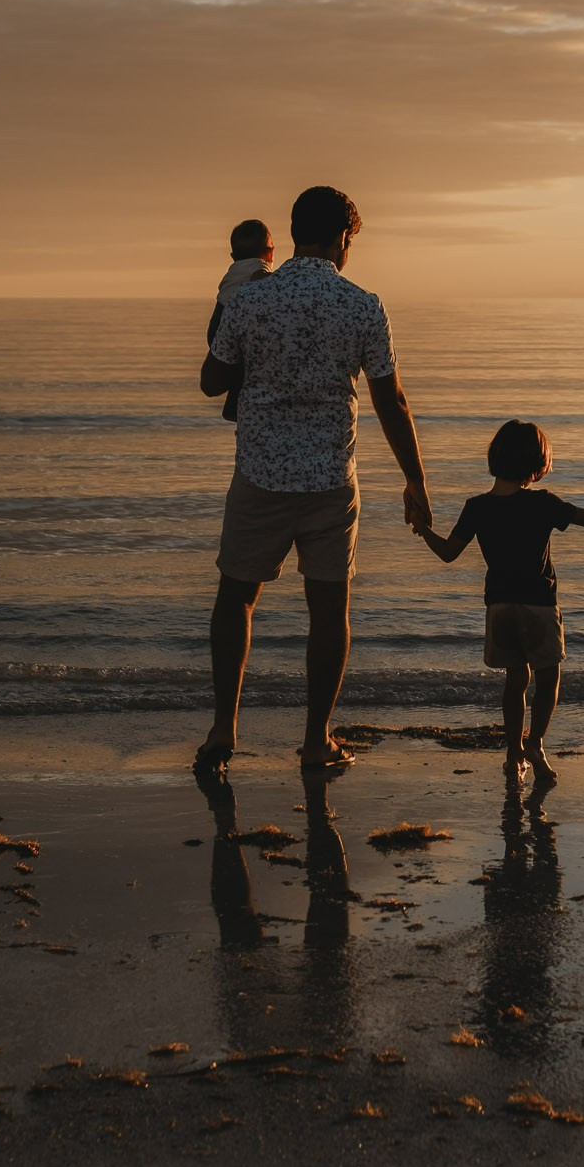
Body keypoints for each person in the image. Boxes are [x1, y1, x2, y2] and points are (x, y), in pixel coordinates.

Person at [199, 186, 432, 770]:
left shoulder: (251, 301)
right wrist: (416, 481)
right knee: (329, 610)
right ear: (342, 239)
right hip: (331, 477)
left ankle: (223, 731)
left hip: (260, 475)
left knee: (237, 599)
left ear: (296, 230)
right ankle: (314, 739)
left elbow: (210, 380)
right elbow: (391, 401)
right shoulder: (362, 304)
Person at [418, 419, 584, 783]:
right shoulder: (542, 503)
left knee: (515, 679)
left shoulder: (476, 507)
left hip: (500, 607)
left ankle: (512, 754)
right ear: (536, 464)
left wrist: (422, 527)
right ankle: (535, 743)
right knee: (548, 678)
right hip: (538, 604)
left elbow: (447, 553)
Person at [207, 219, 273, 422]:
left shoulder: (232, 271)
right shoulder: (261, 270)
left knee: (238, 370)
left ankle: (232, 407)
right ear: (270, 252)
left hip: (218, 321)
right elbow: (260, 281)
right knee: (245, 367)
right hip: (233, 323)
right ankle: (233, 408)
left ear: (233, 256)